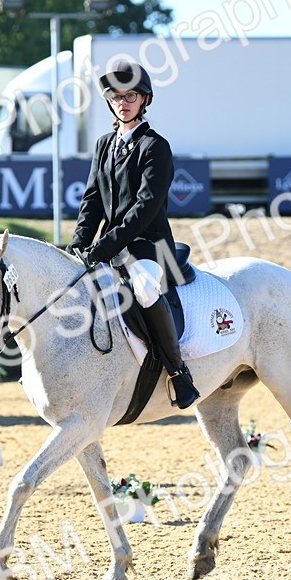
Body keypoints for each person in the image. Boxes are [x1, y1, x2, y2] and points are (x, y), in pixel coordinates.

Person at [69, 60, 201, 409]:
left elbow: (144, 208)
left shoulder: (155, 146)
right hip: (110, 247)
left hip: (148, 247)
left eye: (130, 96)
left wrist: (103, 245)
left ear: (144, 100)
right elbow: (92, 199)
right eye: (116, 97)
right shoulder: (104, 144)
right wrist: (80, 243)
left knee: (143, 289)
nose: (122, 102)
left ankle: (178, 372)